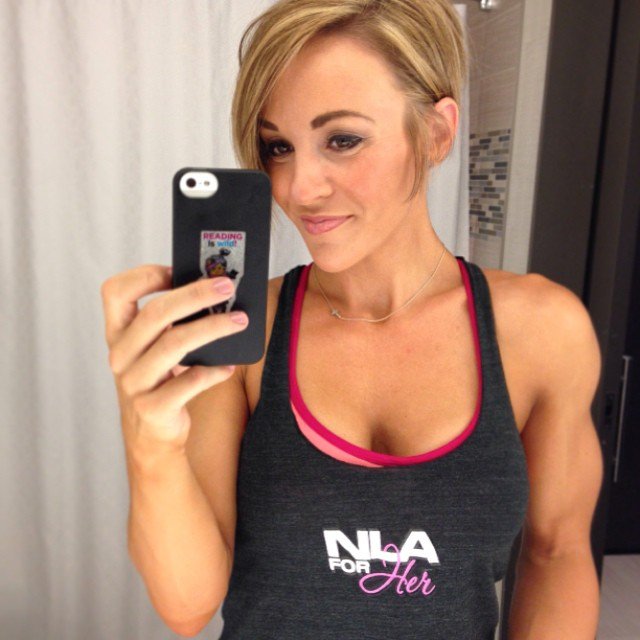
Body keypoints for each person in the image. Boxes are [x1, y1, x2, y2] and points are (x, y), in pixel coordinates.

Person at [100, 0, 604, 638]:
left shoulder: (539, 331)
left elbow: (557, 552)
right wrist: (150, 441)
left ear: (437, 133)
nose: (298, 187)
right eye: (278, 146)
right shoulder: (242, 331)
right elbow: (187, 606)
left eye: (342, 140)